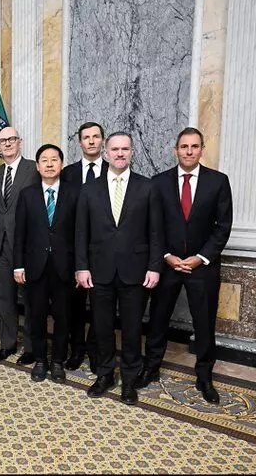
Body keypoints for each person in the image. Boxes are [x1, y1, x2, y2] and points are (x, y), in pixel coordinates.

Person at [136, 127, 232, 404]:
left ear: (202, 150)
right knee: (157, 320)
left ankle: (204, 376)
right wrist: (166, 255)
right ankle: (151, 367)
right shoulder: (158, 182)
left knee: (204, 323)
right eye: (184, 147)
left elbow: (223, 226)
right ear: (175, 150)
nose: (189, 151)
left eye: (194, 146)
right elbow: (152, 225)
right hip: (167, 265)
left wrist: (201, 258)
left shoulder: (218, 182)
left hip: (202, 268)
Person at [75, 132, 162, 405]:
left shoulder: (147, 187)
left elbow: (156, 232)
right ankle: (105, 375)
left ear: (132, 152)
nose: (120, 153)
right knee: (102, 327)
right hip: (99, 271)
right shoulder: (89, 189)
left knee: (132, 329)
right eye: (115, 149)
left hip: (135, 271)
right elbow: (81, 232)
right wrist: (81, 267)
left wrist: (154, 267)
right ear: (105, 153)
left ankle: (129, 380)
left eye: (125, 149)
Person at [14, 144, 79, 383]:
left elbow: (80, 233)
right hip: (35, 267)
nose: (50, 164)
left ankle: (58, 361)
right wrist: (18, 265)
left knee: (63, 317)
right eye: (45, 160)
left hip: (65, 267)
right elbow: (20, 233)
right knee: (37, 316)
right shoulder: (27, 194)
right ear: (38, 166)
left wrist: (80, 267)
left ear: (61, 164)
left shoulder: (74, 193)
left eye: (54, 159)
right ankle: (41, 360)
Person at [60, 121, 110, 373]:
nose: (91, 141)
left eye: (95, 136)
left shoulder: (114, 170)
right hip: (73, 252)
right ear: (79, 142)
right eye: (86, 137)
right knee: (75, 306)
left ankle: (96, 351)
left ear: (103, 141)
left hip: (105, 253)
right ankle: (77, 350)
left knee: (102, 307)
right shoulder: (67, 173)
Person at [0, 127, 39, 364]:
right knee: (5, 298)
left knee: (30, 300)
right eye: (3, 141)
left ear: (20, 142)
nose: (7, 143)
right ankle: (7, 344)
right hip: (2, 245)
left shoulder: (33, 169)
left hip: (28, 246)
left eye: (12, 139)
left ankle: (31, 347)